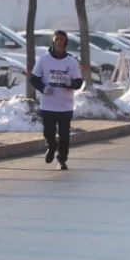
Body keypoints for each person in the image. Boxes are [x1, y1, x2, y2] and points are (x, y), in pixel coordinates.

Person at [30, 30, 84, 169]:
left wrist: (70, 83)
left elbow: (78, 82)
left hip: (65, 106)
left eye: (62, 39)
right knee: (49, 133)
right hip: (48, 105)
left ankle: (62, 159)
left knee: (64, 136)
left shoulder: (71, 61)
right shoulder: (44, 59)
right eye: (57, 39)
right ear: (53, 42)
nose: (59, 42)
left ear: (65, 42)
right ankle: (52, 146)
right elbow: (34, 79)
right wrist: (43, 88)